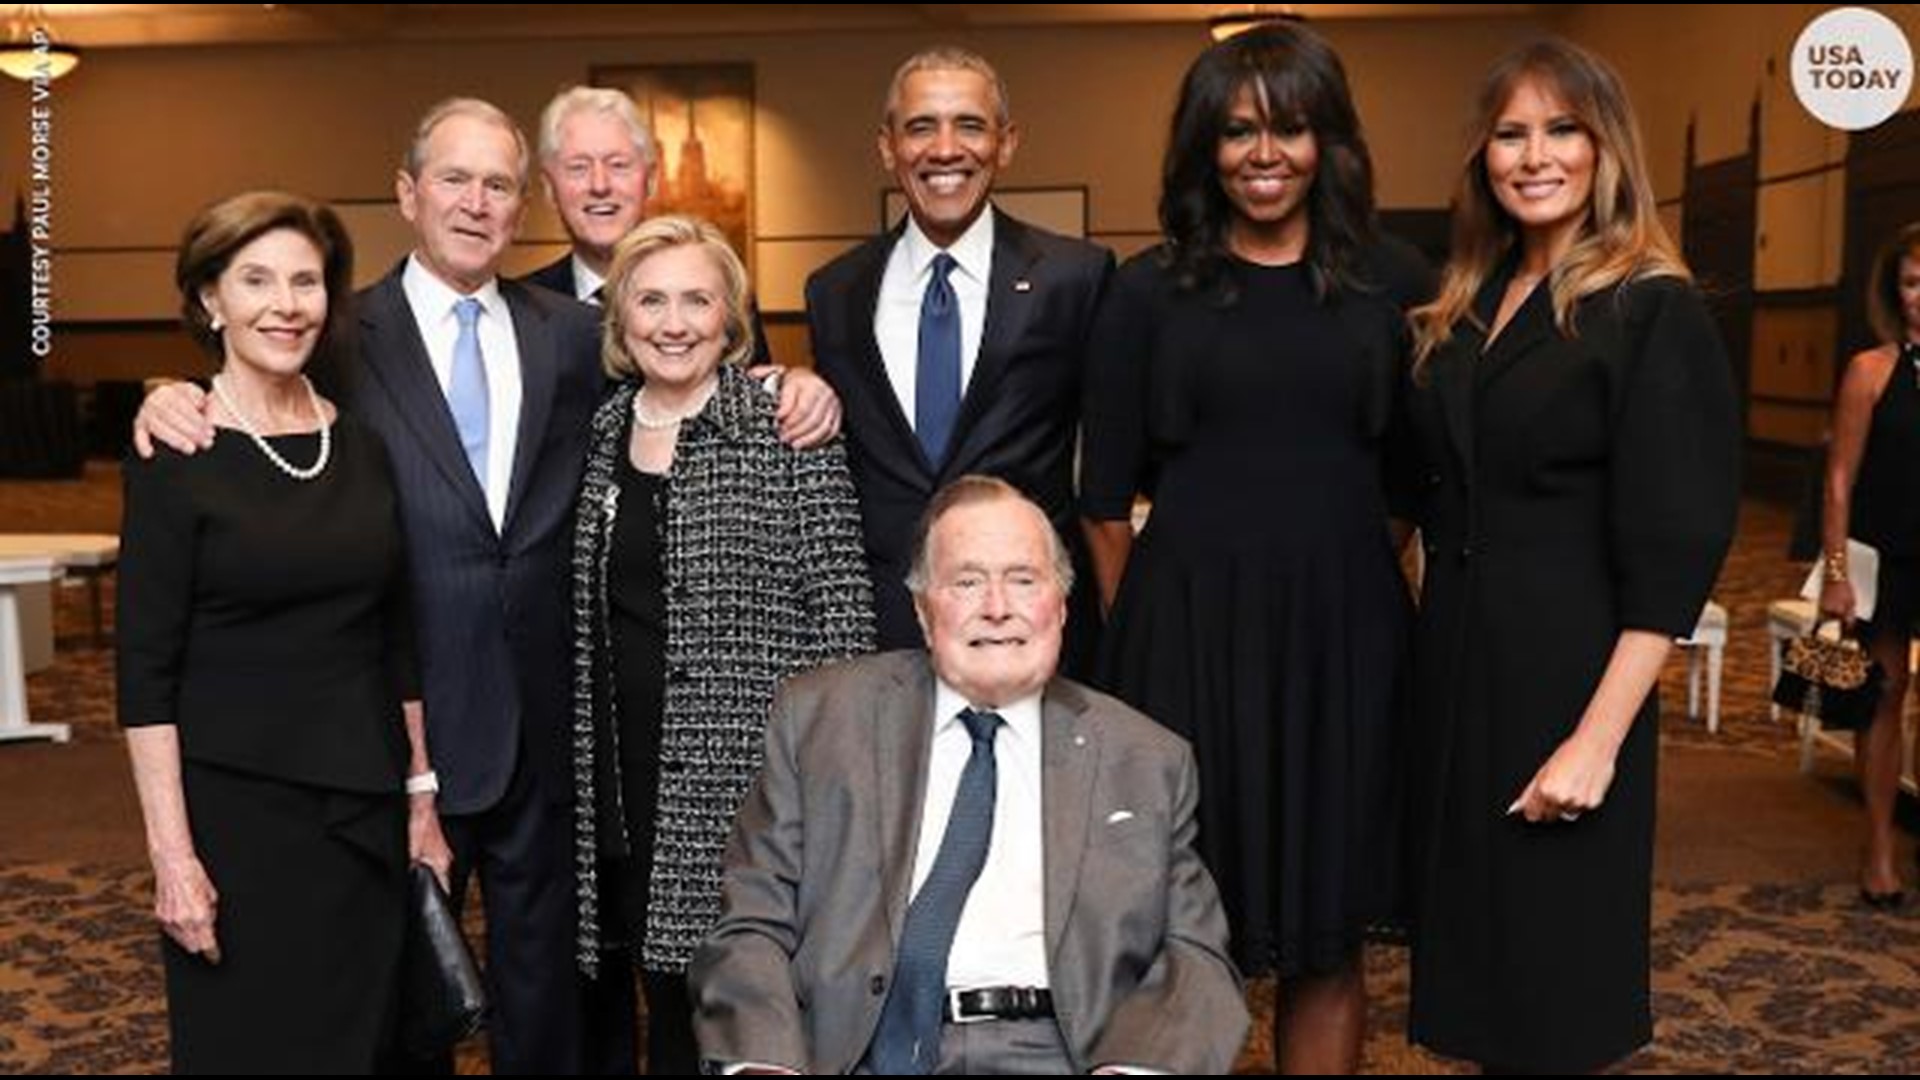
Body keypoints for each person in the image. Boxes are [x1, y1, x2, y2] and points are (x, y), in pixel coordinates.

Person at [129, 99, 842, 1073]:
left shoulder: (568, 335)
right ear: (408, 193)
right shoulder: (338, 329)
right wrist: (164, 395)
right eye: (454, 180)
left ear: (523, 204)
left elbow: (681, 391)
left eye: (498, 184)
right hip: (389, 736)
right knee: (395, 1003)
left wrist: (789, 382)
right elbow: (252, 387)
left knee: (546, 1001)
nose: (476, 203)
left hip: (552, 737)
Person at [1077, 22, 1428, 1073]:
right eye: (1238, 132)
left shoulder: (1392, 279)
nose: (1264, 153)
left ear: (1330, 141)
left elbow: (1412, 484)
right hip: (1181, 640)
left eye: (1291, 127)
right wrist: (1146, 663)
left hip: (1345, 645)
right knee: (1183, 935)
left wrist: (1346, 584)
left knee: (1329, 937)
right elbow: (1101, 500)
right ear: (1206, 147)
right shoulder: (1145, 291)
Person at [1401, 39, 1739, 1072]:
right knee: (1476, 982)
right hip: (1458, 674)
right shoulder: (1467, 302)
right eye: (1511, 133)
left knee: (1553, 989)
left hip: (1570, 677)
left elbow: (1676, 553)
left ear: (1606, 150)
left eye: (1562, 130)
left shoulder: (1650, 307)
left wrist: (1596, 740)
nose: (1533, 156)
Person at [690, 476, 1248, 1075]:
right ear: (923, 611)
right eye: (967, 581)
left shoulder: (1144, 757)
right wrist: (765, 1063)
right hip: (861, 1052)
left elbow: (1197, 953)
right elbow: (751, 920)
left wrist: (1135, 1069)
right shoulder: (822, 720)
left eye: (1023, 579)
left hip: (1064, 1055)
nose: (997, 606)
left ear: (1060, 605)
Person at [118, 190, 450, 1073]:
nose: (285, 303)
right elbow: (144, 673)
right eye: (255, 280)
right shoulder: (175, 453)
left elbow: (395, 638)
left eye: (306, 281)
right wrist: (173, 858)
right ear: (208, 301)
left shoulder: (362, 445)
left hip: (363, 808)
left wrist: (421, 800)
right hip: (238, 821)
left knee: (372, 1044)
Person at [567, 214, 875, 1072]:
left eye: (697, 300)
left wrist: (831, 796)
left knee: (745, 1012)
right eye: (652, 300)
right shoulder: (604, 431)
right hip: (625, 785)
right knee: (658, 1005)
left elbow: (845, 621)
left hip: (750, 786)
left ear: (731, 317)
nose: (674, 322)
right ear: (621, 319)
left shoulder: (783, 422)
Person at [805, 46, 1114, 676]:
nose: (945, 149)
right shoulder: (834, 290)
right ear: (888, 147)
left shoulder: (1075, 278)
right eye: (921, 127)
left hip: (1025, 623)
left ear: (1006, 143)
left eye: (970, 125)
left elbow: (1110, 457)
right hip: (879, 628)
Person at [524, 86, 774, 366]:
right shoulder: (522, 309)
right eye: (578, 167)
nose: (599, 185)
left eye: (618, 165)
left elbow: (758, 395)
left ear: (652, 180)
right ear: (548, 187)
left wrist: (800, 382)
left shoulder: (723, 294)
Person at [1818, 221, 1920, 908]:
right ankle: (1879, 843)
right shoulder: (1870, 370)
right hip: (1886, 558)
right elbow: (1839, 480)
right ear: (1896, 290)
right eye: (1914, 281)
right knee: (1882, 694)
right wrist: (1833, 573)